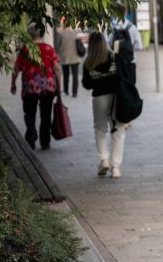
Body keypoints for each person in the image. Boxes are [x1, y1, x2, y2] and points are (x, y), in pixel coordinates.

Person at [81, 32, 128, 178]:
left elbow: (87, 85)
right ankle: (116, 167)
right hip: (115, 97)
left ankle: (103, 160)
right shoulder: (114, 57)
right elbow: (123, 77)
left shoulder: (89, 62)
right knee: (118, 130)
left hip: (99, 98)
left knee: (100, 130)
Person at [10, 24, 60, 150]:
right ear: (41, 34)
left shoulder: (24, 50)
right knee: (46, 114)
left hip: (30, 87)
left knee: (30, 114)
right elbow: (57, 68)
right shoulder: (49, 48)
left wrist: (13, 83)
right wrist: (59, 85)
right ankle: (45, 141)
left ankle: (31, 136)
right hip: (47, 87)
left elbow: (16, 68)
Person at [54, 17, 81, 97]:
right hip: (75, 57)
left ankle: (66, 91)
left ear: (64, 23)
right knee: (75, 76)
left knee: (66, 75)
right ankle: (74, 92)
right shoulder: (74, 33)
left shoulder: (61, 34)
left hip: (64, 56)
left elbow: (58, 45)